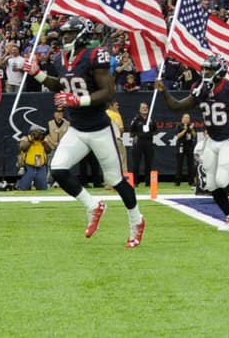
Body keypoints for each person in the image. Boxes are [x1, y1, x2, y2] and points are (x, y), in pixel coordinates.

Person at [22, 16, 145, 248]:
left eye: (70, 34)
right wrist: (37, 74)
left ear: (81, 35)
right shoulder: (63, 58)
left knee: (115, 180)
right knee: (58, 169)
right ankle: (93, 205)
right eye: (64, 34)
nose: (65, 38)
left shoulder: (94, 55)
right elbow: (61, 84)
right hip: (77, 128)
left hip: (99, 128)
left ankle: (137, 221)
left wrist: (78, 100)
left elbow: (108, 91)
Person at [156, 55, 229, 229]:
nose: (206, 73)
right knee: (210, 184)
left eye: (210, 70)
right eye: (204, 69)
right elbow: (177, 106)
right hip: (212, 140)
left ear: (220, 72)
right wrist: (164, 92)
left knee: (222, 181)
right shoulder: (200, 89)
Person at [126, 101, 157, 187]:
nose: (145, 109)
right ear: (140, 109)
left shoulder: (151, 119)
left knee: (149, 163)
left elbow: (156, 131)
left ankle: (148, 182)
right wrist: (139, 133)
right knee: (136, 163)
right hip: (138, 143)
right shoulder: (136, 119)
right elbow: (131, 132)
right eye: (143, 108)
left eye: (146, 107)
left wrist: (149, 132)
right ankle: (135, 182)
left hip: (149, 143)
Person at [174, 112, 197, 186]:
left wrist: (192, 129)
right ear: (182, 119)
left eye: (188, 118)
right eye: (186, 117)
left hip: (189, 145)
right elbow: (178, 136)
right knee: (179, 164)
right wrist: (184, 130)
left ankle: (191, 181)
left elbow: (194, 135)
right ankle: (178, 181)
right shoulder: (179, 126)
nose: (187, 119)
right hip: (181, 145)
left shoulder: (192, 126)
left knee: (190, 164)